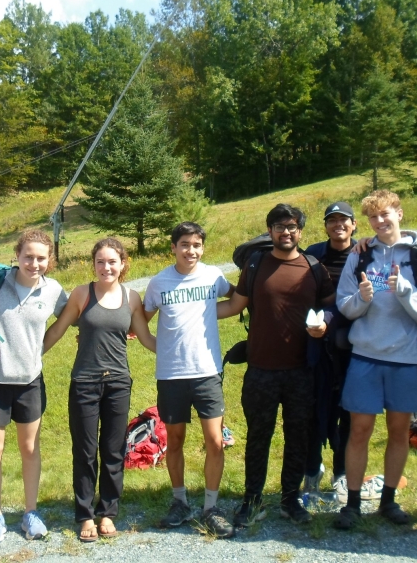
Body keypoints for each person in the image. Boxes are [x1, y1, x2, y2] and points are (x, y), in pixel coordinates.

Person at [218, 204, 333, 527]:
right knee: (258, 436)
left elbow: (331, 310)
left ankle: (290, 500)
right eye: (280, 226)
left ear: (300, 232)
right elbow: (234, 305)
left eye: (293, 227)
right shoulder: (255, 265)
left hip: (301, 371)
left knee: (298, 435)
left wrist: (325, 327)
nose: (286, 232)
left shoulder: (313, 268)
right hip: (261, 370)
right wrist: (185, 313)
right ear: (269, 231)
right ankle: (252, 499)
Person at [333, 190, 417, 530]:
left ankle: (389, 500)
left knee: (398, 431)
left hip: (406, 360)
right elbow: (344, 305)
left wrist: (406, 291)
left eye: (386, 214)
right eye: (374, 217)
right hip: (365, 356)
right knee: (359, 430)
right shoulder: (361, 255)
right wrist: (362, 299)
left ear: (399, 213)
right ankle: (351, 504)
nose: (380, 222)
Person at [43, 237, 155, 542]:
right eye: (100, 262)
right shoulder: (81, 294)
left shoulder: (132, 298)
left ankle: (107, 513)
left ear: (123, 264)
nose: (106, 267)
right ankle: (84, 515)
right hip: (85, 383)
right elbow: (58, 329)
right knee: (85, 450)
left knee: (113, 450)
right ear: (93, 264)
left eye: (112, 262)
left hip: (118, 383)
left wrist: (176, 352)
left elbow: (145, 337)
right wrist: (32, 353)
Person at [0, 229, 68, 545]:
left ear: (49, 260)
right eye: (28, 256)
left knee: (29, 449)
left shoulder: (53, 291)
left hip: (29, 382)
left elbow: (72, 318)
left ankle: (31, 512)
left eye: (41, 258)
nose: (34, 263)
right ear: (17, 254)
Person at [143, 222, 236, 538]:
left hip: (207, 372)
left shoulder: (213, 276)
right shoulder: (159, 282)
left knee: (215, 440)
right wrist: (158, 347)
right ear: (173, 247)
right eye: (184, 244)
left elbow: (237, 301)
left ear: (203, 247)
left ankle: (211, 507)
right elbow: (140, 321)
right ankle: (179, 501)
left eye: (196, 245)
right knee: (176, 439)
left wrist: (209, 312)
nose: (191, 250)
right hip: (171, 375)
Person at [302, 201, 358, 505]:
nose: (338, 225)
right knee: (314, 411)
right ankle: (312, 471)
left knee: (347, 412)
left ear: (353, 224)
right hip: (318, 346)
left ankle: (342, 475)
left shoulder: (364, 252)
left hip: (354, 347)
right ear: (325, 226)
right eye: (332, 220)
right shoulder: (314, 254)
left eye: (344, 220)